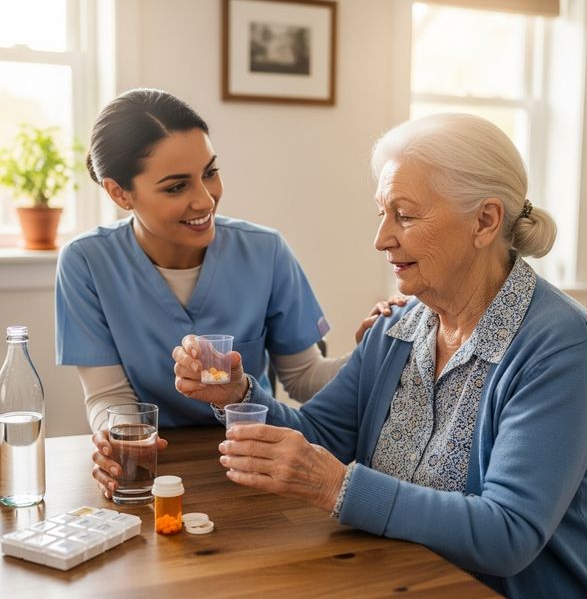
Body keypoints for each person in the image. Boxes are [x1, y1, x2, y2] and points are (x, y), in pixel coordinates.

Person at [171, 113, 587, 598]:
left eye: (406, 214)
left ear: (484, 221)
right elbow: (322, 437)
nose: (382, 239)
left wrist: (337, 488)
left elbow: (508, 534)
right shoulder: (399, 326)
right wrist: (238, 394)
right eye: (382, 213)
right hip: (396, 578)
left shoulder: (561, 348)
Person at [56, 88, 402, 493]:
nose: (205, 199)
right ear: (119, 193)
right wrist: (122, 443)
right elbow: (109, 396)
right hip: (157, 470)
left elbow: (305, 378)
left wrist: (371, 352)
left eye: (210, 172)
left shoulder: (265, 251)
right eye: (175, 187)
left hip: (253, 464)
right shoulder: (86, 262)